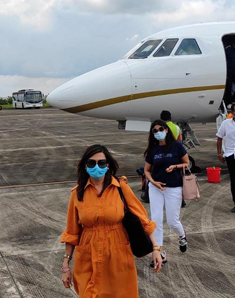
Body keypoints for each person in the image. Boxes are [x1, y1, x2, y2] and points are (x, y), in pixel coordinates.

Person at [61, 144, 162, 298]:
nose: (97, 167)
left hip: (117, 255)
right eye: (91, 163)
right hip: (88, 255)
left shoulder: (120, 187)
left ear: (108, 165)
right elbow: (72, 232)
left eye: (101, 163)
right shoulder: (77, 193)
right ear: (85, 165)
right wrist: (66, 265)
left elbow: (142, 220)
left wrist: (156, 248)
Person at [144, 120, 190, 265]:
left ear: (167, 130)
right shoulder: (153, 149)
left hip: (174, 188)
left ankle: (182, 235)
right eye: (155, 131)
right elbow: (146, 170)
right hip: (156, 188)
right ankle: (160, 253)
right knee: (156, 220)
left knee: (172, 221)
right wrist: (152, 181)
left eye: (160, 129)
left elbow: (187, 163)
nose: (158, 132)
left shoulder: (176, 146)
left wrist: (174, 166)